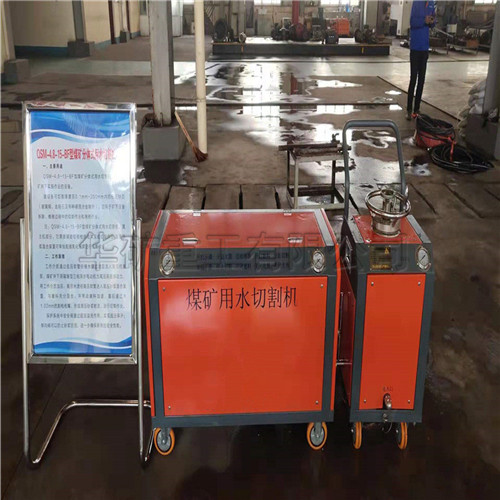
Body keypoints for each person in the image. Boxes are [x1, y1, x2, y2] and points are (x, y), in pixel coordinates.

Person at [406, 1, 436, 120]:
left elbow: (433, 23)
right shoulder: (416, 2)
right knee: (413, 79)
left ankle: (416, 109)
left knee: (421, 80)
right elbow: (412, 22)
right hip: (415, 48)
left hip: (424, 48)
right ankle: (409, 109)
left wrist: (432, 22)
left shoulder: (431, 3)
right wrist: (424, 20)